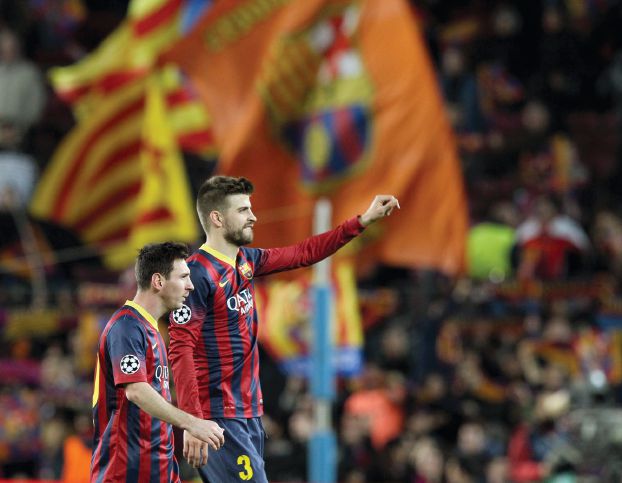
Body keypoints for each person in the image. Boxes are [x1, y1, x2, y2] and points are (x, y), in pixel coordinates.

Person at [168, 176, 399, 482]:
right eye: (243, 210)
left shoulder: (246, 262)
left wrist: (362, 221)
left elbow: (304, 253)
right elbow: (180, 349)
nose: (253, 217)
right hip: (218, 417)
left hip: (247, 414)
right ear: (217, 218)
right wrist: (193, 421)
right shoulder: (196, 276)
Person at [91, 242, 225, 483]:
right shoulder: (127, 326)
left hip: (159, 470)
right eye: (183, 277)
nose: (190, 285)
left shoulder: (152, 331)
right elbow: (136, 392)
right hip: (125, 473)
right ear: (158, 282)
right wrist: (192, 423)